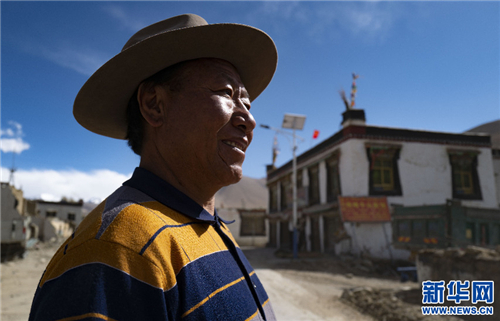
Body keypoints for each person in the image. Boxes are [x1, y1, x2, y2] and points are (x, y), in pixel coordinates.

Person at [29, 13, 278, 321]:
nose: (248, 120)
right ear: (154, 104)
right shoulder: (117, 249)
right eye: (226, 93)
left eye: (248, 104)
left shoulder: (209, 226)